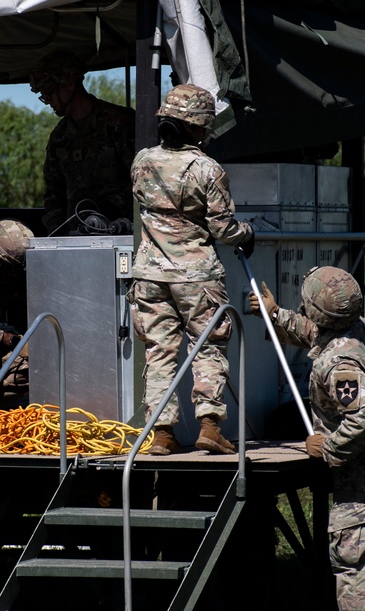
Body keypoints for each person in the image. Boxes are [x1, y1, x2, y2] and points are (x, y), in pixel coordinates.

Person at [250, 267, 365, 611]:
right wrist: (277, 315)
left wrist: (327, 447)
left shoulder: (338, 362)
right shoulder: (357, 328)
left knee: (360, 573)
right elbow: (316, 332)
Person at [129, 83, 255, 456]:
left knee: (158, 352)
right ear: (197, 127)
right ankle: (210, 427)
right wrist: (248, 233)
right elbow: (222, 229)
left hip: (149, 275)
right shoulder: (206, 169)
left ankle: (162, 434)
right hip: (197, 276)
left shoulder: (142, 161)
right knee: (210, 347)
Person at [29, 50, 135, 236]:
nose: (47, 102)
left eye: (49, 93)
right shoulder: (59, 137)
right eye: (43, 96)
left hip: (123, 234)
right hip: (76, 235)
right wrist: (58, 233)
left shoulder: (120, 122)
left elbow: (144, 182)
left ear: (69, 83)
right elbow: (54, 193)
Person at [0, 219, 33, 403]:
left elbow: (22, 315)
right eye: (10, 269)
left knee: (36, 368)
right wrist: (10, 340)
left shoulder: (8, 279)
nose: (16, 276)